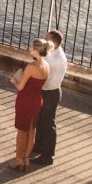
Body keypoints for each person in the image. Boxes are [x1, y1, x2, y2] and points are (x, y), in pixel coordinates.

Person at [11, 40, 52, 171]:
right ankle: (26, 159)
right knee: (31, 130)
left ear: (36, 50)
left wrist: (14, 80)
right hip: (37, 101)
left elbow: (21, 87)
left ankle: (18, 159)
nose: (29, 48)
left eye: (31, 47)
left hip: (25, 100)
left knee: (21, 132)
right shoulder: (47, 66)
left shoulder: (31, 66)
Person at [31, 29, 68, 168]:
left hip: (50, 93)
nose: (44, 40)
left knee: (48, 124)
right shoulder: (52, 52)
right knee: (40, 121)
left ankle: (48, 156)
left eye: (47, 38)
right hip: (47, 91)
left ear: (53, 41)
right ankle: (38, 146)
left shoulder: (57, 60)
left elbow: (46, 77)